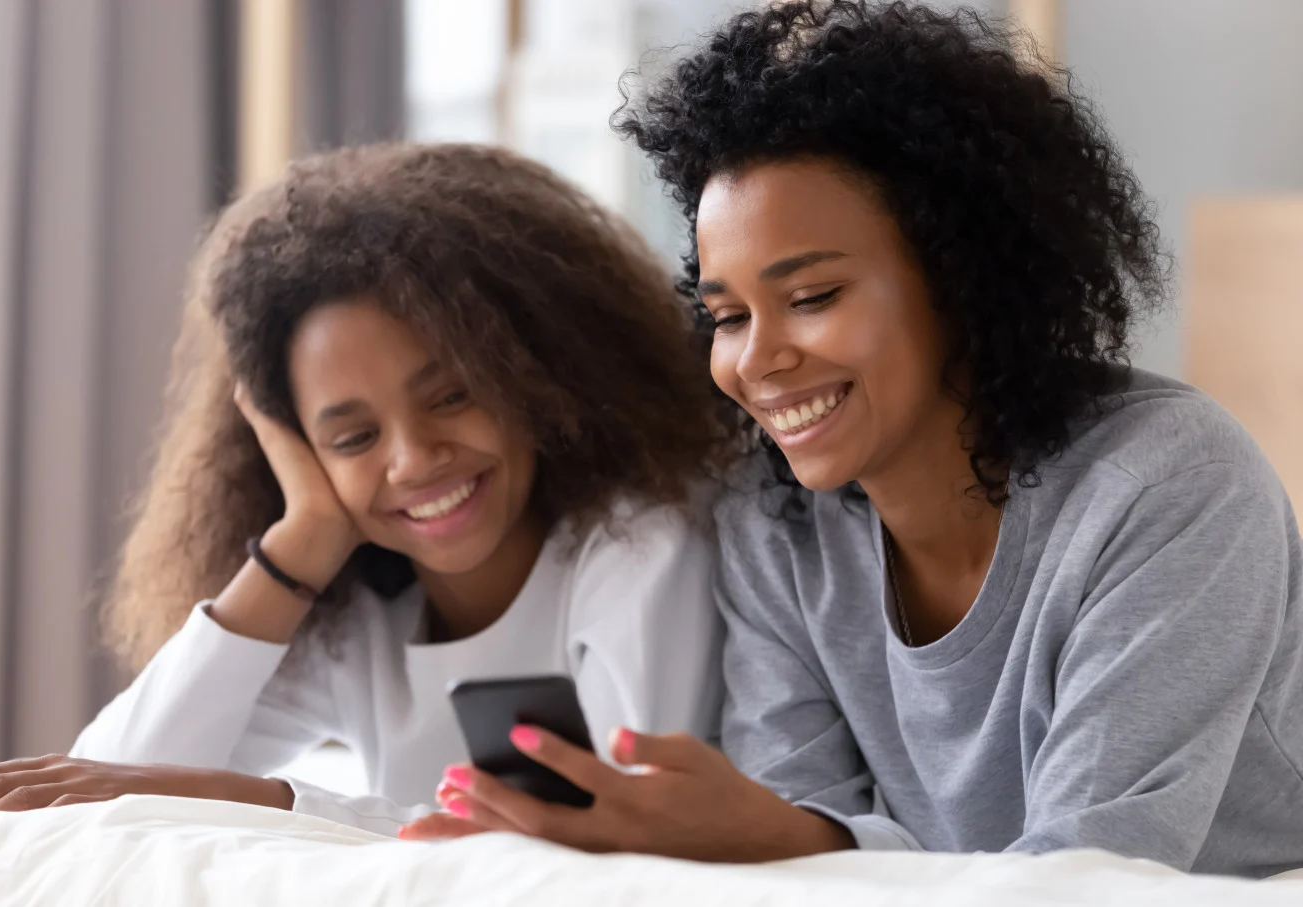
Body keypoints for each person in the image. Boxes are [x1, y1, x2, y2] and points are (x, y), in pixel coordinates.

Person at [403, 1, 1303, 877]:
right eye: (725, 315)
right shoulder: (775, 524)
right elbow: (804, 844)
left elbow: (1090, 874)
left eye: (812, 298)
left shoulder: (1165, 486)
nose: (756, 360)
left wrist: (792, 842)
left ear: (963, 277)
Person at [0, 143, 727, 835]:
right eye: (353, 436)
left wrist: (274, 802)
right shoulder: (361, 620)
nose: (414, 459)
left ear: (533, 373)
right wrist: (305, 536)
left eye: (451, 395)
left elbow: (629, 820)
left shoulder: (639, 544)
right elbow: (104, 789)